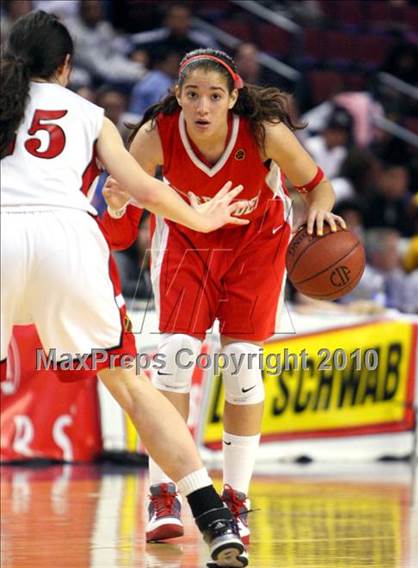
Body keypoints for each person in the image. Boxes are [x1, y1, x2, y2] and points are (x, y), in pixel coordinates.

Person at [0, 12, 250, 568]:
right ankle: (215, 521)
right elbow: (141, 189)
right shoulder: (89, 114)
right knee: (132, 386)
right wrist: (202, 219)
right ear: (65, 67)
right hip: (67, 241)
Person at [101, 47, 346, 546]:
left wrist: (319, 213)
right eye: (192, 95)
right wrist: (116, 202)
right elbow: (122, 232)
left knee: (242, 366)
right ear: (177, 96)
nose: (203, 107)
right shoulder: (154, 137)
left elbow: (318, 188)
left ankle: (236, 497)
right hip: (188, 249)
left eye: (215, 96)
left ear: (234, 97)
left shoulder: (264, 133)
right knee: (172, 361)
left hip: (255, 252)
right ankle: (163, 494)